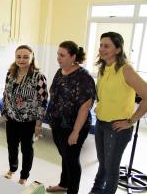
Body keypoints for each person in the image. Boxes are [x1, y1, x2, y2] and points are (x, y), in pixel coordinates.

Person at [89, 32, 147, 194]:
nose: (102, 49)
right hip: (101, 122)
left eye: (106, 46)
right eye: (101, 45)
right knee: (103, 162)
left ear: (118, 49)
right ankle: (96, 189)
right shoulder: (103, 68)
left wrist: (131, 121)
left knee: (112, 167)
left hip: (117, 127)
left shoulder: (126, 70)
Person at [46, 41, 96, 194]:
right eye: (58, 54)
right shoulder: (59, 72)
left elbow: (85, 107)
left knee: (72, 160)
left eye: (62, 55)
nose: (58, 58)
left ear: (73, 57)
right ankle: (64, 184)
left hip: (75, 126)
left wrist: (75, 132)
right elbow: (53, 96)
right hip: (58, 124)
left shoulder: (84, 76)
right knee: (65, 156)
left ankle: (72, 191)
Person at [1, 45, 48, 185]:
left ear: (32, 58)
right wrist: (4, 111)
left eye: (26, 57)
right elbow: (5, 94)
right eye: (18, 56)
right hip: (11, 119)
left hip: (29, 121)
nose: (21, 60)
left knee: (26, 149)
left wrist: (38, 124)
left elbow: (43, 102)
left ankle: (24, 176)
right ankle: (12, 168)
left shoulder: (38, 77)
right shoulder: (10, 73)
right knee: (11, 146)